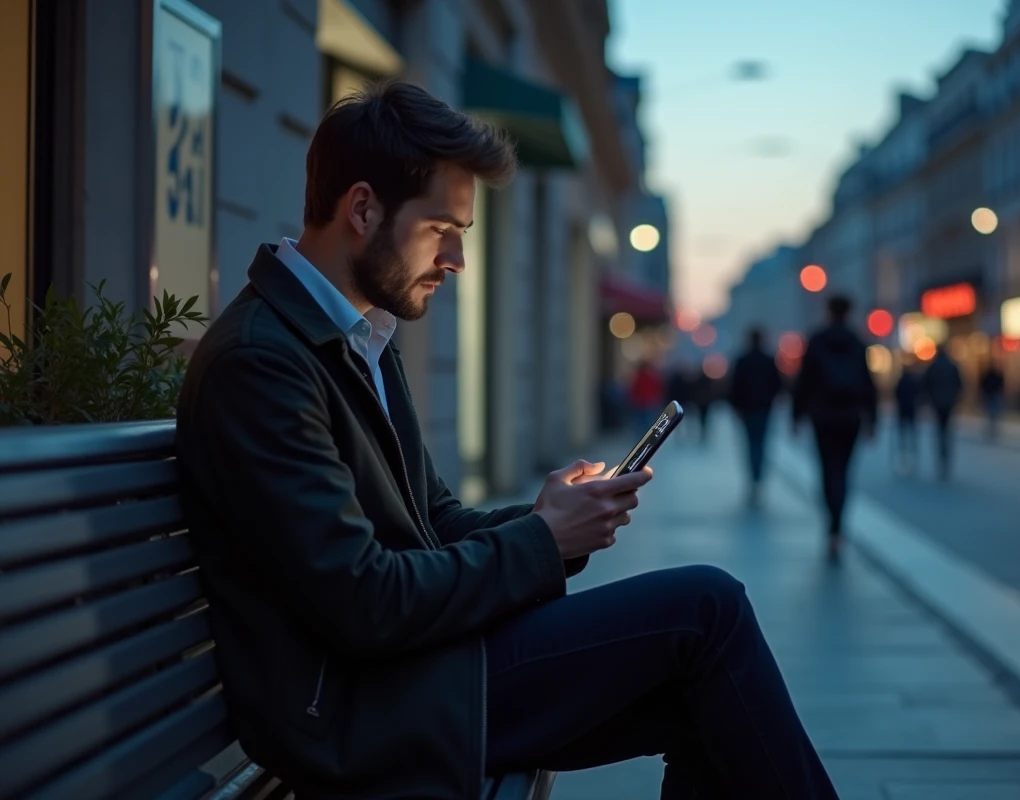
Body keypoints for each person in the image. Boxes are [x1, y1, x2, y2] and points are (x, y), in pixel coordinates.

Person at [174, 79, 839, 800]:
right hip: (355, 709)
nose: (457, 260)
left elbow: (433, 521)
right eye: (441, 229)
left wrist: (548, 519)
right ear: (362, 209)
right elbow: (363, 602)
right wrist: (542, 541)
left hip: (412, 668)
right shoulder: (263, 362)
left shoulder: (357, 338)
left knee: (704, 690)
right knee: (708, 609)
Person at [791, 295, 878, 560]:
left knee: (827, 469)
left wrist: (797, 415)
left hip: (823, 416)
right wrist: (872, 419)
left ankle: (831, 524)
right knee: (844, 470)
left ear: (828, 311)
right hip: (851, 416)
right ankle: (838, 526)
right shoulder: (857, 342)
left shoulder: (817, 340)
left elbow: (803, 382)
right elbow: (868, 383)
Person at [729, 327, 784, 505]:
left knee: (751, 443)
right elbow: (777, 384)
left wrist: (736, 406)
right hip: (763, 408)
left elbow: (735, 385)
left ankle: (753, 477)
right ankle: (758, 476)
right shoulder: (768, 360)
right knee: (761, 443)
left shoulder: (742, 360)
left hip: (747, 409)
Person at [923, 347, 963, 480]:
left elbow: (926, 385)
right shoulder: (952, 366)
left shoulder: (933, 367)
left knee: (940, 431)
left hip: (937, 403)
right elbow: (959, 384)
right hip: (949, 402)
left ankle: (941, 457)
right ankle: (945, 457)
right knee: (946, 431)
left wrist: (928, 400)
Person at [893, 360, 921, 474]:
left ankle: (903, 456)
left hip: (902, 411)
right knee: (912, 434)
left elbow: (896, 395)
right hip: (911, 411)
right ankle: (913, 456)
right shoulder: (913, 382)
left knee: (902, 435)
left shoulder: (900, 381)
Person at [628, 359, 666, 433]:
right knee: (648, 422)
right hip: (649, 402)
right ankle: (649, 434)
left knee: (641, 423)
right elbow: (658, 388)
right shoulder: (651, 376)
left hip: (641, 402)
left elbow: (633, 390)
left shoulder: (638, 377)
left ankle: (642, 435)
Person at [979, 362, 1005, 440]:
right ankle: (992, 428)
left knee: (991, 412)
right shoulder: (996, 376)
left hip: (990, 394)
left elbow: (983, 384)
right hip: (993, 395)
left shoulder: (988, 376)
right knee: (993, 413)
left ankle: (991, 427)